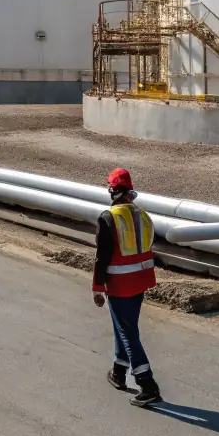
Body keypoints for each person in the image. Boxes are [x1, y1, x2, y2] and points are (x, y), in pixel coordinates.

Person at [92, 167, 162, 407]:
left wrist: (97, 286)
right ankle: (119, 373)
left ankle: (147, 384)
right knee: (124, 326)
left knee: (128, 331)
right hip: (140, 281)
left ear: (112, 192)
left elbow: (102, 256)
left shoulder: (108, 217)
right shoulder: (143, 215)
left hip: (119, 283)